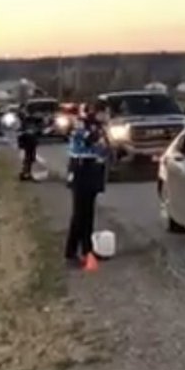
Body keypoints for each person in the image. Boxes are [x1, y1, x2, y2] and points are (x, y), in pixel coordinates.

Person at [64, 105, 109, 265]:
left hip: (94, 168)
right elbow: (89, 138)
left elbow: (105, 147)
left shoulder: (97, 127)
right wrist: (98, 130)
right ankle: (71, 251)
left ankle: (86, 249)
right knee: (79, 213)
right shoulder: (80, 125)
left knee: (88, 213)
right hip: (80, 168)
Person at [17, 115, 40, 180]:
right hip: (27, 144)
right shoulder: (24, 127)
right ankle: (24, 173)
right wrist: (21, 144)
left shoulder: (33, 128)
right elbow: (20, 136)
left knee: (30, 159)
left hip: (31, 144)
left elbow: (36, 135)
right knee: (27, 159)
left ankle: (27, 173)